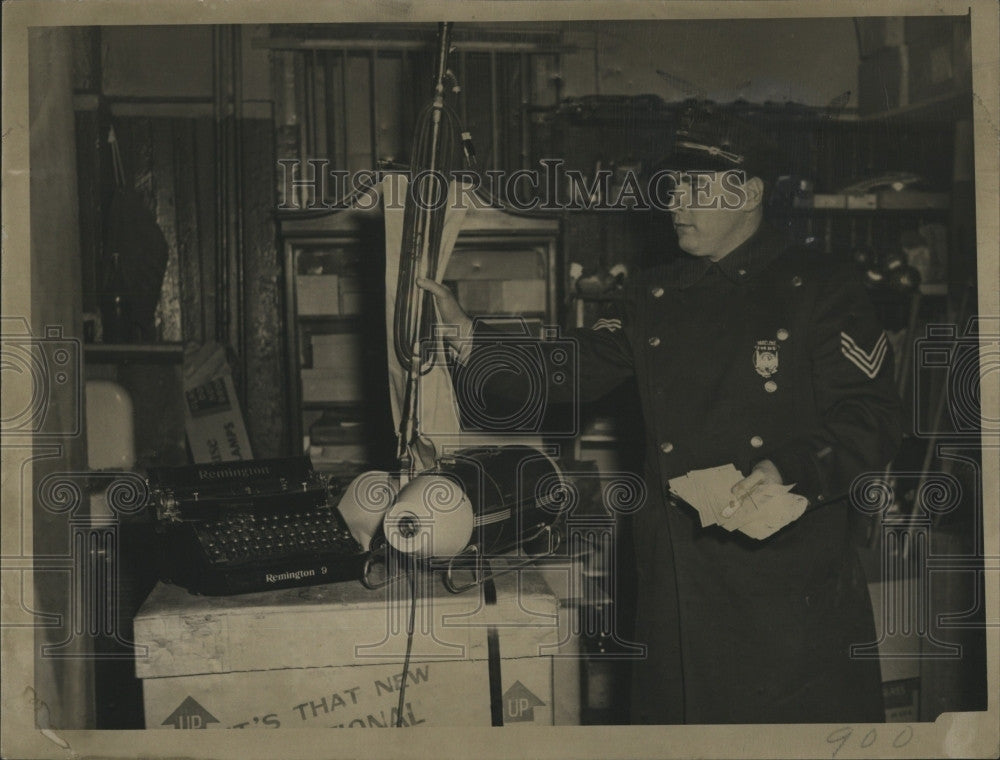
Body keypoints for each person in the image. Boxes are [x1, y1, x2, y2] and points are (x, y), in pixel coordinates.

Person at [417, 110, 902, 724]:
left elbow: (874, 415)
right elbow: (574, 368)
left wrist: (791, 468)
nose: (676, 202)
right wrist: (472, 341)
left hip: (784, 584)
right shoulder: (653, 294)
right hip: (677, 576)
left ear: (748, 192)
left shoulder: (822, 286)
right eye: (673, 187)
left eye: (696, 188)